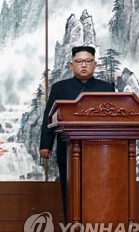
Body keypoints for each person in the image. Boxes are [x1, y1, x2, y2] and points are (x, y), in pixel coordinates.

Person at [39, 45, 115, 222]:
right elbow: (49, 116)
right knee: (70, 189)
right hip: (67, 149)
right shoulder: (60, 88)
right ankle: (72, 229)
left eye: (88, 61)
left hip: (100, 150)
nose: (84, 65)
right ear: (71, 65)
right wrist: (45, 145)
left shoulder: (107, 88)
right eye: (79, 61)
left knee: (99, 189)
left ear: (95, 65)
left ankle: (98, 227)